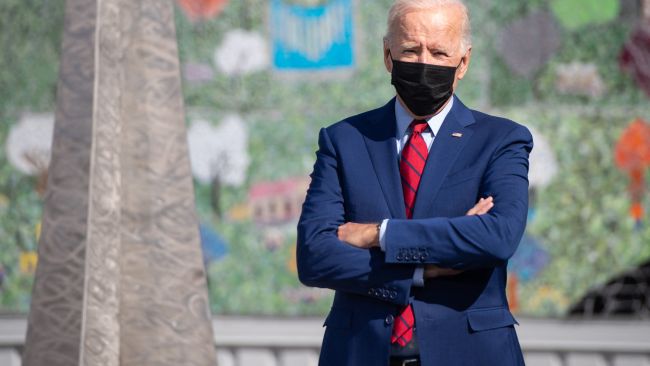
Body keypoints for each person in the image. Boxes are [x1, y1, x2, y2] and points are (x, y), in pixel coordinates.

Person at [297, 0, 532, 365]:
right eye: (410, 49)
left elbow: (497, 237)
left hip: (470, 353)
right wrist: (424, 268)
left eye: (439, 52)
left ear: (463, 62)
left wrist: (379, 234)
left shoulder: (501, 140)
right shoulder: (345, 139)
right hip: (362, 352)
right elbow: (315, 256)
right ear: (388, 56)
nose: (424, 63)